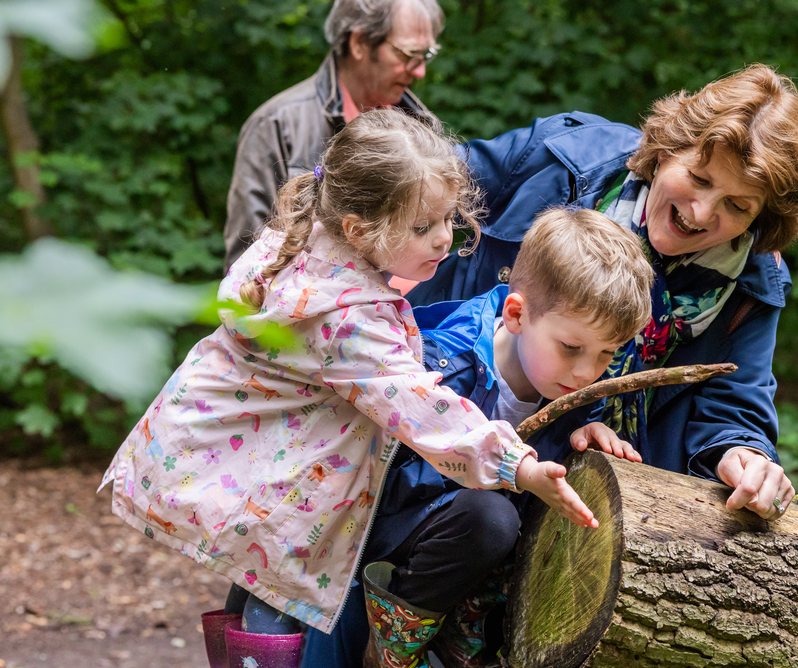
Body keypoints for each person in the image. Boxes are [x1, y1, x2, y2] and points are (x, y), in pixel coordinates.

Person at [99, 110, 595, 668]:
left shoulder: (307, 247)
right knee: (275, 608)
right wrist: (518, 466)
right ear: (360, 230)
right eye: (422, 226)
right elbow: (419, 409)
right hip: (277, 488)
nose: (444, 238)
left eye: (447, 218)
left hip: (257, 473)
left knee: (260, 590)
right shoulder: (344, 316)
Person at [406, 64, 798, 523]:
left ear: (760, 220)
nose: (701, 213)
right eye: (700, 179)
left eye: (737, 205)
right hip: (422, 427)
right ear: (667, 150)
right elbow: (408, 183)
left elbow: (736, 403)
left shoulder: (751, 285)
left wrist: (741, 453)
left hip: (599, 501)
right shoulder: (564, 162)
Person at [305, 207, 655, 667]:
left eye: (607, 354)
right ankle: (394, 644)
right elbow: (390, 479)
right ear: (516, 314)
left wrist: (579, 440)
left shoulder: (572, 393)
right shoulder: (443, 362)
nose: (588, 372)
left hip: (474, 576)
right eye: (572, 348)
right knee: (491, 515)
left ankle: (461, 637)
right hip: (391, 534)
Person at [223, 0, 444, 268]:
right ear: (359, 43)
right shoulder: (276, 125)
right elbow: (244, 268)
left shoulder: (422, 125)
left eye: (426, 56)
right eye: (407, 55)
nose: (419, 71)